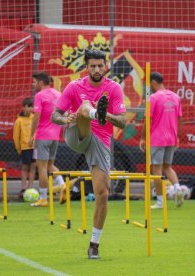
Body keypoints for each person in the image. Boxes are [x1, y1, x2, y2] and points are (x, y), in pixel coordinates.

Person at [51, 50, 126, 259]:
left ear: (106, 65)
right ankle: (93, 112)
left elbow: (122, 121)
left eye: (100, 65)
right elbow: (54, 114)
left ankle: (94, 244)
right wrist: (64, 120)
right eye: (92, 66)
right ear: (86, 66)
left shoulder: (114, 88)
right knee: (85, 106)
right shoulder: (75, 86)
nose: (96, 69)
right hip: (77, 132)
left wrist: (107, 115)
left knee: (102, 193)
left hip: (100, 141)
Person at [139, 72, 183, 209]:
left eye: (148, 84)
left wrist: (143, 138)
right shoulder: (175, 97)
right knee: (167, 167)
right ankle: (177, 188)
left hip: (157, 139)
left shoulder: (152, 98)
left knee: (156, 170)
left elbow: (148, 120)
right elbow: (180, 119)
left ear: (153, 82)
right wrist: (178, 137)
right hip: (171, 138)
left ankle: (160, 202)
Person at [28, 72, 64, 207]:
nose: (33, 84)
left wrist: (32, 135)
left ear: (40, 83)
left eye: (34, 82)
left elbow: (36, 116)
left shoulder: (39, 96)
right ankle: (62, 185)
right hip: (55, 136)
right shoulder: (58, 94)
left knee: (41, 167)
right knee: (49, 165)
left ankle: (43, 198)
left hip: (43, 136)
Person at [13, 97, 36, 200]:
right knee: (25, 167)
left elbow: (37, 132)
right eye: (29, 106)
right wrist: (19, 149)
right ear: (23, 107)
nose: (31, 109)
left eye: (32, 106)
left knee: (33, 167)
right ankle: (23, 188)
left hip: (34, 147)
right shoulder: (19, 121)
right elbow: (16, 136)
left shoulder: (34, 118)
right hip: (25, 147)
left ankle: (30, 187)